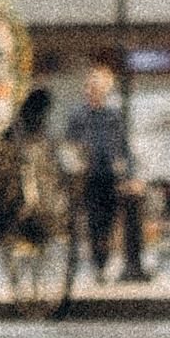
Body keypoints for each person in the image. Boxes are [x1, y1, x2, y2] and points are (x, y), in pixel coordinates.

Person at [59, 59, 129, 291]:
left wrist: (126, 173)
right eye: (92, 83)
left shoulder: (113, 115)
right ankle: (98, 262)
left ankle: (104, 259)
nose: (96, 88)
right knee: (93, 220)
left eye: (100, 84)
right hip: (87, 176)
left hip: (109, 174)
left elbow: (123, 146)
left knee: (108, 221)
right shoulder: (79, 114)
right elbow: (69, 144)